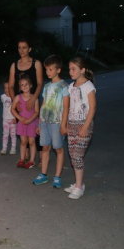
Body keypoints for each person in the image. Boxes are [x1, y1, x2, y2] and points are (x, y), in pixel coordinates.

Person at [33, 55, 70, 188]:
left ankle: (57, 176)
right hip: (45, 122)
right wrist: (39, 123)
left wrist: (63, 125)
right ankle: (43, 175)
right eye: (46, 69)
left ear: (58, 70)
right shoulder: (47, 86)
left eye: (50, 69)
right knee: (45, 148)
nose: (48, 72)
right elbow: (43, 105)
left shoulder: (64, 86)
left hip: (56, 123)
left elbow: (66, 107)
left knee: (58, 149)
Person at [64, 56, 96, 199]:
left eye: (73, 69)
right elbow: (68, 106)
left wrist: (85, 127)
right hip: (72, 124)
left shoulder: (88, 85)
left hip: (84, 125)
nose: (70, 72)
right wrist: (65, 124)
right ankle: (78, 183)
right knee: (73, 155)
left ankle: (79, 187)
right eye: (69, 69)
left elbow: (93, 107)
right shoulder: (71, 87)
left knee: (77, 155)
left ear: (82, 70)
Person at [8, 39, 44, 165]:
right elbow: (11, 86)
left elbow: (40, 83)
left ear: (29, 49)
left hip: (33, 100)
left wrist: (34, 98)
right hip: (21, 103)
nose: (21, 50)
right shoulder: (14, 65)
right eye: (19, 47)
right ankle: (26, 155)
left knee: (36, 129)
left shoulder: (36, 63)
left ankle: (40, 156)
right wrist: (15, 102)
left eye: (24, 47)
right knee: (23, 129)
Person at [11, 75, 39, 168]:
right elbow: (12, 109)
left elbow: (36, 111)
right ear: (20, 88)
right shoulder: (18, 97)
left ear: (30, 85)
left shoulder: (34, 98)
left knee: (31, 142)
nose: (25, 86)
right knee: (23, 141)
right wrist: (20, 118)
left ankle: (31, 161)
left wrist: (30, 120)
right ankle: (22, 159)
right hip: (22, 122)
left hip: (32, 123)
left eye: (26, 84)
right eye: (22, 85)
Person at [0, 80, 17, 155]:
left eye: (8, 88)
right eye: (5, 88)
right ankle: (4, 148)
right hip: (5, 119)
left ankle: (13, 148)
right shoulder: (3, 97)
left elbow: (16, 108)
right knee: (5, 134)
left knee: (13, 134)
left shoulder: (15, 98)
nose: (7, 90)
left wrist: (15, 118)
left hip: (12, 119)